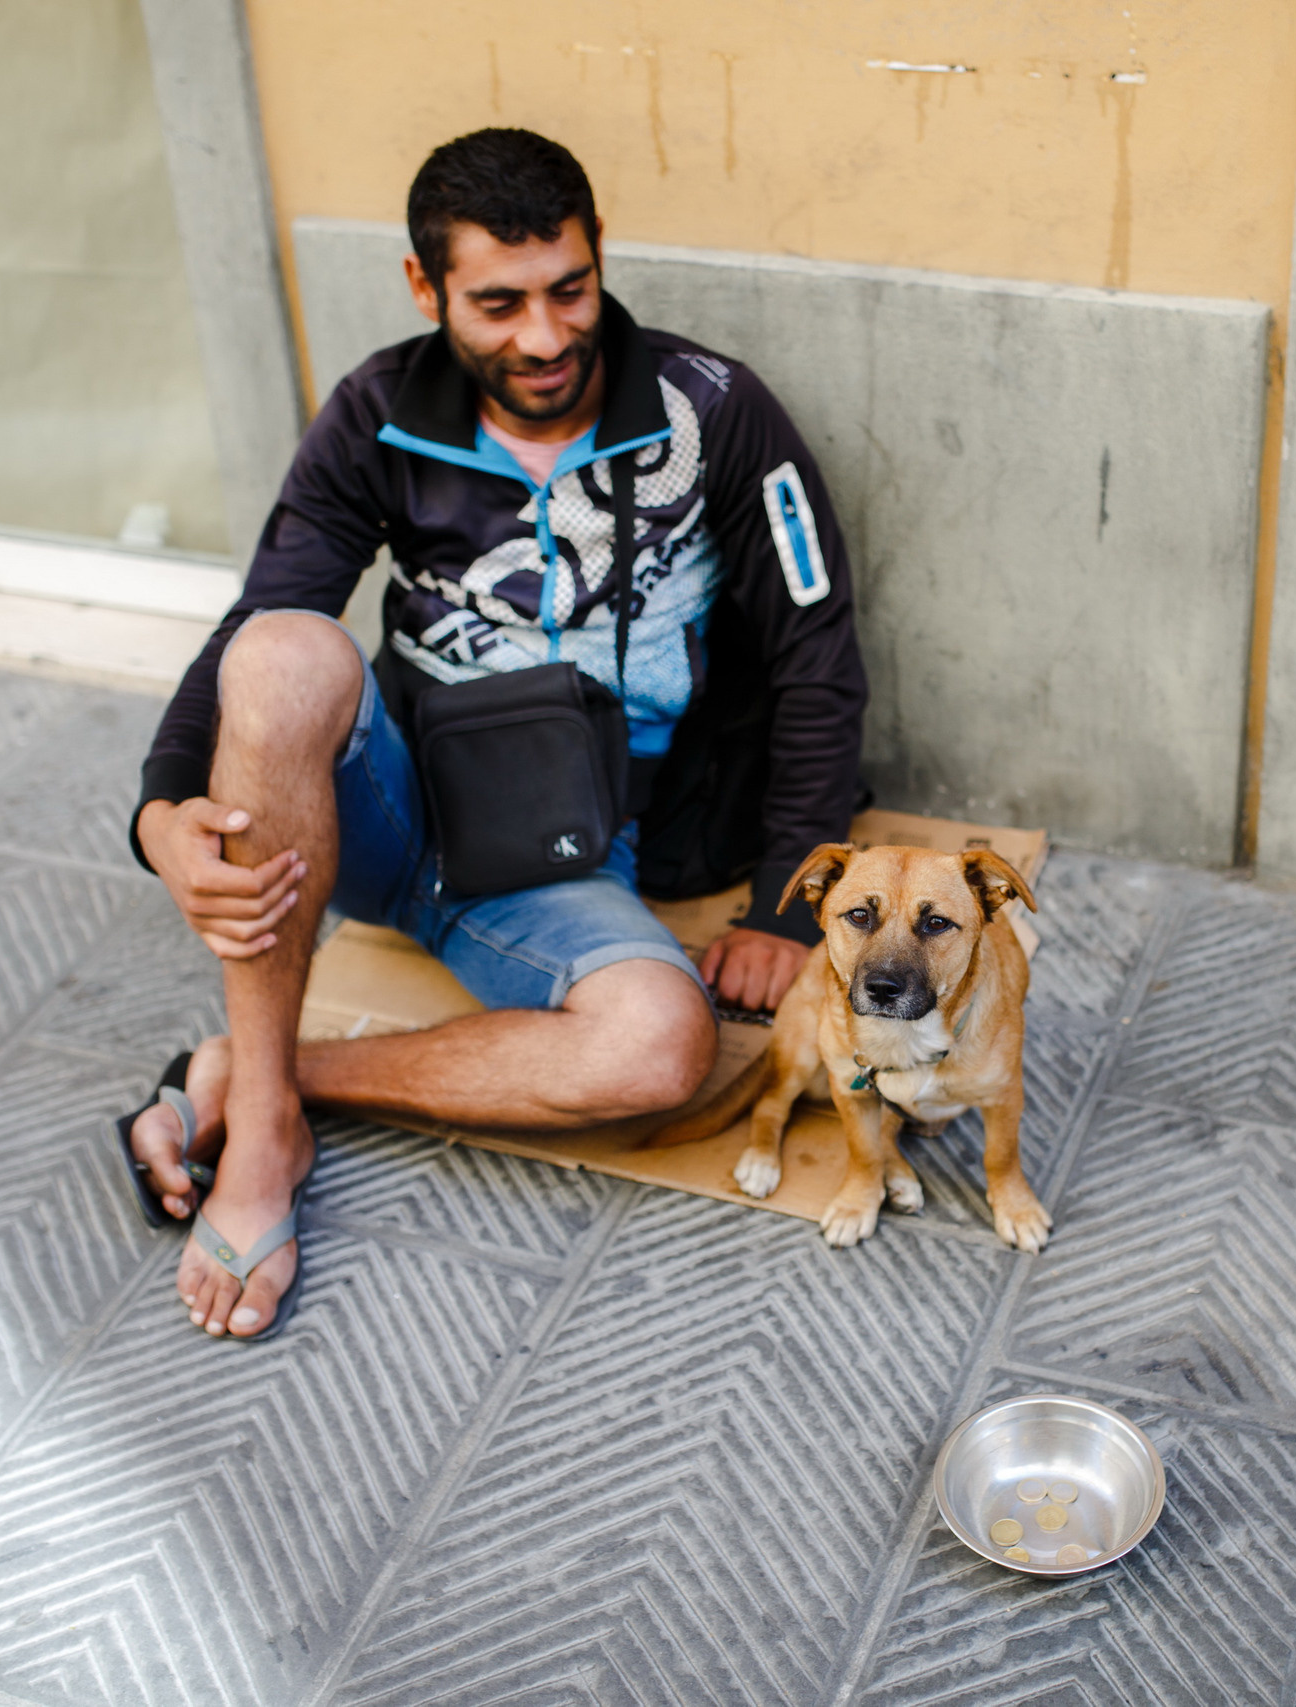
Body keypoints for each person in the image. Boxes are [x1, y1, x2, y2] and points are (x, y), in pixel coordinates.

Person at [121, 129, 866, 1340]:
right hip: (393, 804)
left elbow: (817, 651)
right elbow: (255, 618)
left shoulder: (716, 412)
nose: (544, 336)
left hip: (579, 859)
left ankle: (254, 1080)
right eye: (498, 302)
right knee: (282, 650)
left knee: (657, 1047)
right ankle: (261, 1140)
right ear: (428, 290)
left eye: (568, 289)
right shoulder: (374, 409)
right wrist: (160, 811)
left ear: (598, 254)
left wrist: (788, 900)